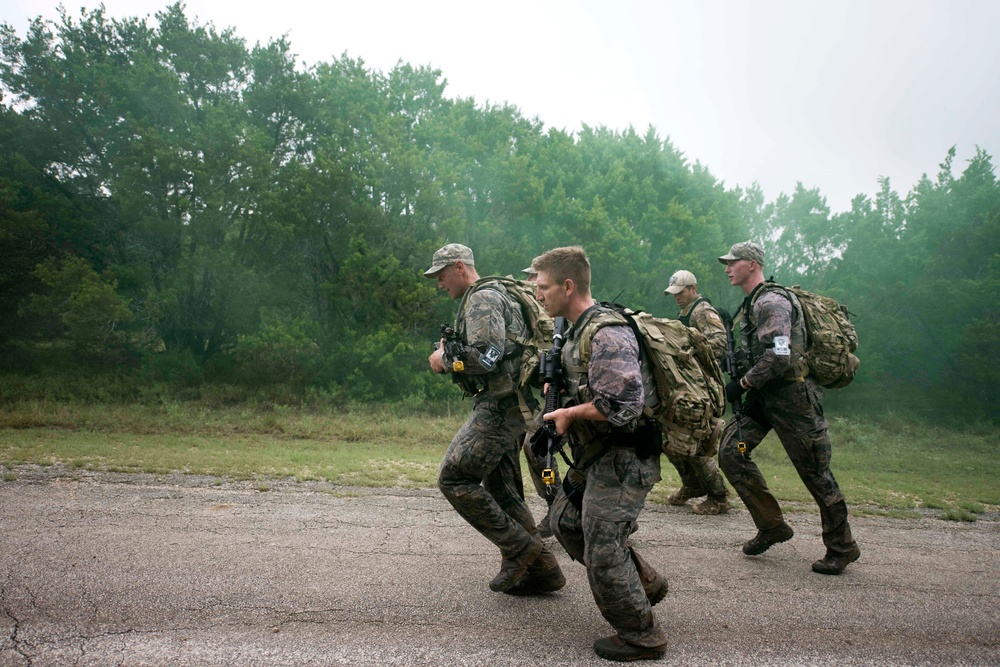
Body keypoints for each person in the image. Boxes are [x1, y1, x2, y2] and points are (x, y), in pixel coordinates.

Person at [532, 246, 669, 662]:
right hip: (598, 453)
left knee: (603, 543)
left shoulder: (606, 331)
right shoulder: (573, 330)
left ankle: (641, 635)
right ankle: (643, 585)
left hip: (626, 456)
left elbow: (624, 405)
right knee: (565, 521)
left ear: (567, 286)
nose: (538, 295)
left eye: (543, 287)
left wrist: (570, 412)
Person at [425, 243, 565, 595]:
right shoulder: (495, 292)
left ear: (459, 267)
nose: (439, 283)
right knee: (502, 489)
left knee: (454, 478)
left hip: (501, 407)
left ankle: (524, 550)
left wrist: (445, 360)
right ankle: (542, 570)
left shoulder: (482, 298)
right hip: (513, 404)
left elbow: (487, 358)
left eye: (441, 275)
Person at [716, 241, 861, 575]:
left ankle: (842, 546)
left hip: (794, 404)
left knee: (815, 473)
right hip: (764, 403)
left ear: (751, 264)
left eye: (732, 262)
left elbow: (779, 355)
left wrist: (743, 383)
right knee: (733, 451)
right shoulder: (751, 303)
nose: (727, 268)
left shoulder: (771, 301)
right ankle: (771, 525)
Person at [662, 269, 731, 516]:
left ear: (693, 289)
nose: (677, 297)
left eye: (681, 292)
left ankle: (719, 496)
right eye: (674, 294)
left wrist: (689, 350)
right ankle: (692, 484)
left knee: (696, 441)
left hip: (702, 387)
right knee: (672, 439)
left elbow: (720, 343)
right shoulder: (685, 312)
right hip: (687, 386)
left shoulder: (703, 311)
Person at [518, 259, 559, 538]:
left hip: (571, 397)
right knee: (537, 448)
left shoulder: (559, 316)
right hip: (546, 395)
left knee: (540, 449)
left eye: (537, 281)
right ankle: (557, 505)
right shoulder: (535, 316)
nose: (532, 286)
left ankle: (562, 508)